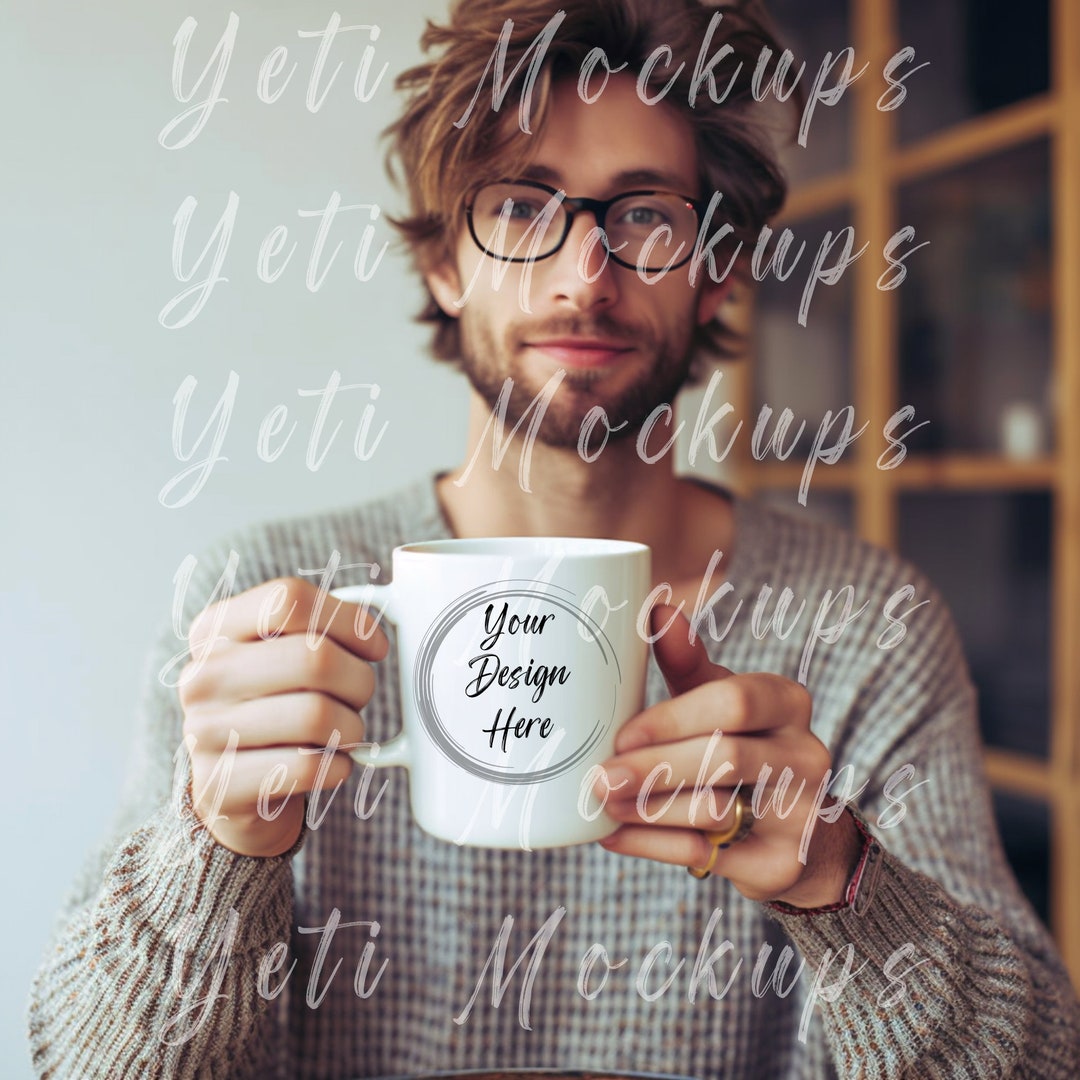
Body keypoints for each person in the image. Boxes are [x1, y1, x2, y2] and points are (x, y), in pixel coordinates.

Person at [28, 0, 1080, 1076]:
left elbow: (1039, 1061)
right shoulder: (260, 607)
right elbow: (80, 1062)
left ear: (716, 269)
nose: (585, 273)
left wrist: (848, 888)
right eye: (524, 210)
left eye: (646, 217)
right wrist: (215, 848)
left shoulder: (867, 629)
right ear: (444, 263)